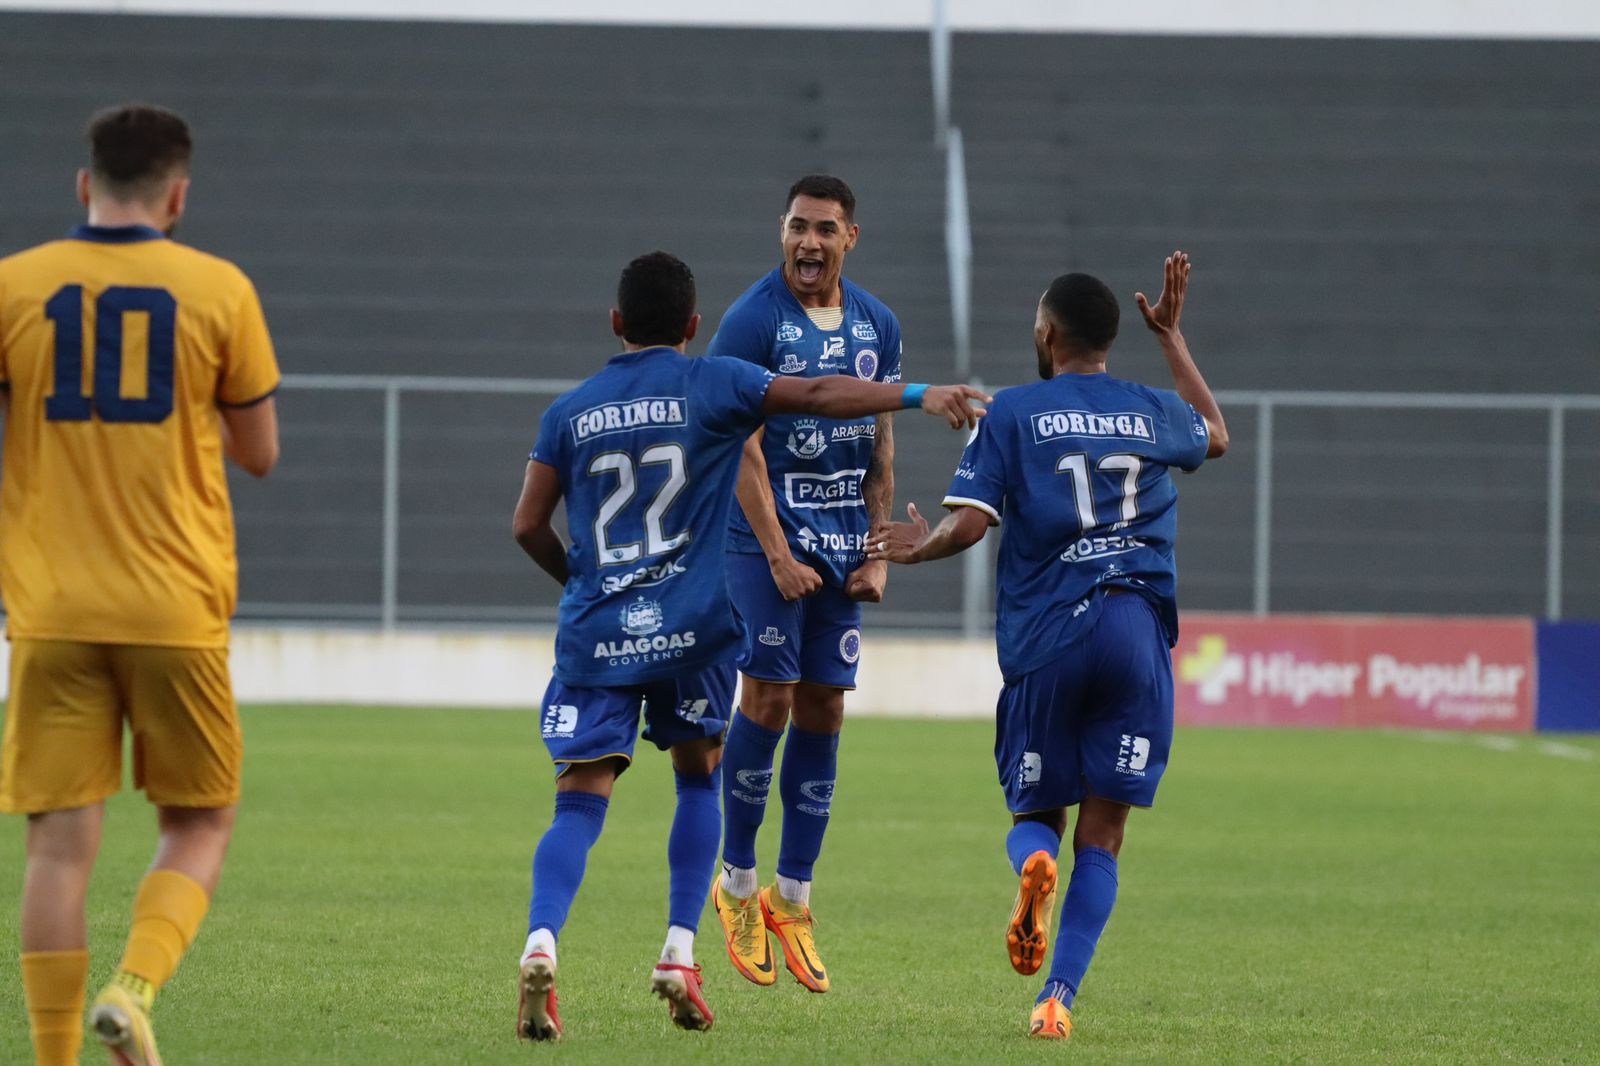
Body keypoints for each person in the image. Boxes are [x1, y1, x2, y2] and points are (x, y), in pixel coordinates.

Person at [509, 251, 985, 1041]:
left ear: (616, 322)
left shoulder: (569, 411)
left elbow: (527, 524)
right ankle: (678, 952)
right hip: (691, 629)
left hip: (598, 630)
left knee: (580, 799)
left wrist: (579, 583)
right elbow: (822, 395)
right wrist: (917, 393)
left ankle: (541, 942)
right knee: (699, 782)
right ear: (695, 326)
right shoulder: (716, 382)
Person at [867, 252, 1227, 1040]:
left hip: (1051, 634)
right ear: (1109, 339)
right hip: (1135, 632)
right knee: (1105, 836)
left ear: (1047, 333)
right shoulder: (1149, 408)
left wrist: (918, 548)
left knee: (1036, 814)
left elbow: (969, 524)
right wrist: (1172, 339)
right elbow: (1218, 436)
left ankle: (1034, 866)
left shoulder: (1015, 412)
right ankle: (1056, 998)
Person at [0, 104, 281, 1066]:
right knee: (200, 820)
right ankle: (133, 988)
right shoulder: (219, 289)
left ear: (85, 185)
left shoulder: (14, 285)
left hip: (50, 606)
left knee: (56, 847)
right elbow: (260, 452)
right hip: (174, 602)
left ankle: (52, 1058)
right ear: (178, 197)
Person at [704, 175, 901, 993]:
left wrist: (878, 550)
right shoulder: (752, 320)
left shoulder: (878, 323)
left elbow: (880, 442)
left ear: (851, 237)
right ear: (780, 232)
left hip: (842, 544)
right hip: (763, 544)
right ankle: (736, 883)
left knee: (826, 707)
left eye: (824, 229)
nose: (808, 243)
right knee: (769, 700)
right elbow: (740, 443)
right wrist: (779, 552)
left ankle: (794, 898)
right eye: (796, 227)